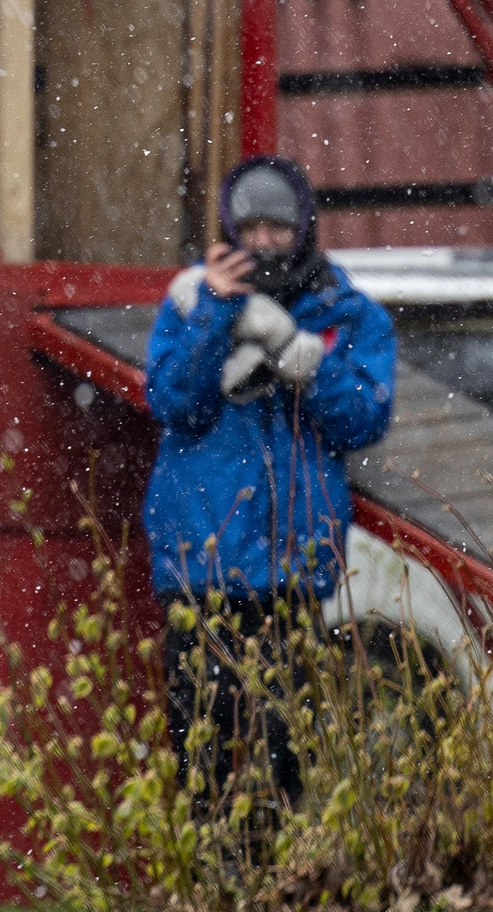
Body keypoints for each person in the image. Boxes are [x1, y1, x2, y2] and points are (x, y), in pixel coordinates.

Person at [142, 155, 395, 810]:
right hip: (204, 562)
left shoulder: (348, 313)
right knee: (202, 750)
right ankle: (211, 894)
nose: (263, 241)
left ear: (303, 227)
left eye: (277, 228)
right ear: (230, 227)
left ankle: (284, 889)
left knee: (291, 748)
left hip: (294, 566)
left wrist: (299, 357)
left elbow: (363, 418)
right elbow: (174, 402)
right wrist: (217, 317)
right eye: (249, 227)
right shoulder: (192, 301)